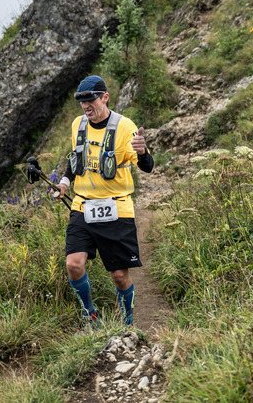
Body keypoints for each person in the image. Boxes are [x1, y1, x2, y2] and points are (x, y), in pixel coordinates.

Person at [55, 75, 154, 327]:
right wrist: (65, 183)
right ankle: (90, 314)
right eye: (82, 102)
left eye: (91, 100)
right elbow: (75, 159)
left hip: (116, 207)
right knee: (73, 264)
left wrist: (142, 152)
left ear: (105, 97)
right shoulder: (78, 124)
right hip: (82, 205)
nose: (86, 106)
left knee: (119, 275)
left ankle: (128, 322)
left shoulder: (124, 126)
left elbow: (147, 166)